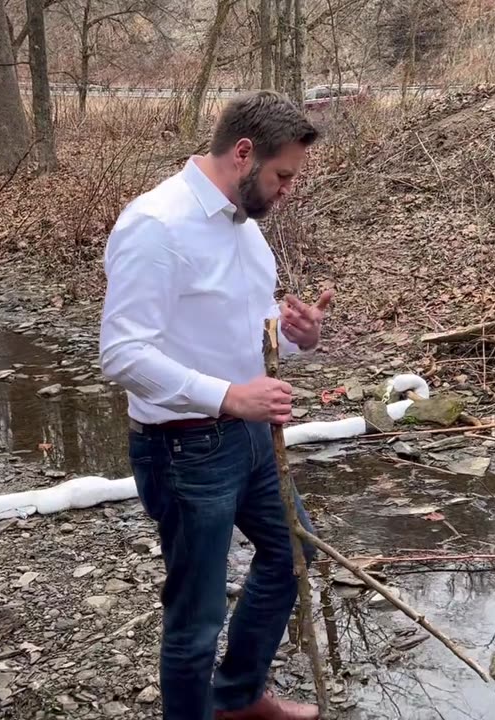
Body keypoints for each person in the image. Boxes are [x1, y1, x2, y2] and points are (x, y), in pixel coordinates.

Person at [99, 91, 333, 720]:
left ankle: (236, 699)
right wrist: (228, 395)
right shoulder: (155, 225)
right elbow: (121, 355)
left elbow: (253, 334)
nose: (288, 190)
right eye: (283, 175)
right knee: (196, 615)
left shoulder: (247, 232)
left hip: (252, 438)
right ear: (243, 153)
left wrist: (297, 337)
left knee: (292, 553)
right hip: (184, 448)